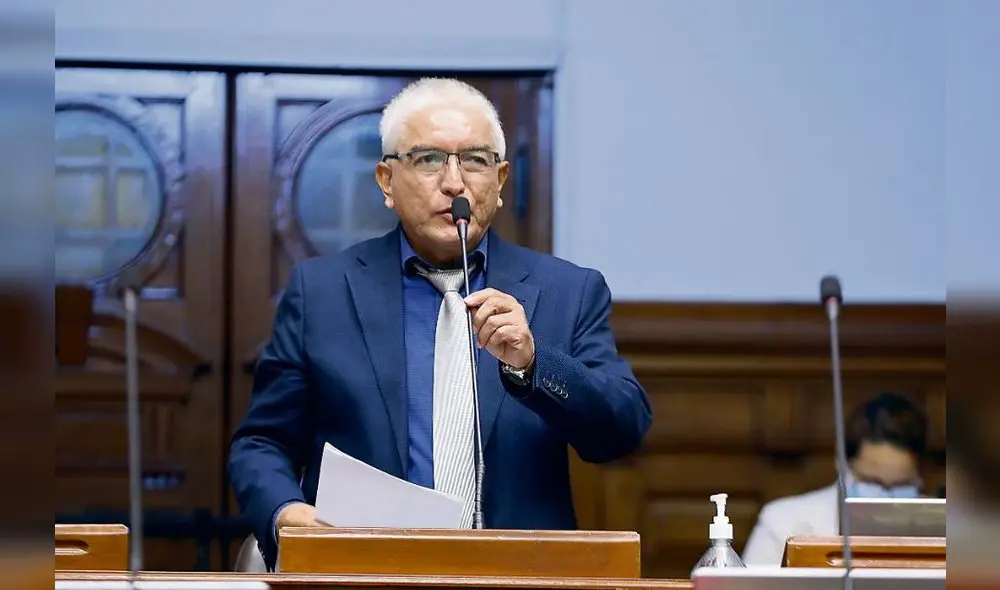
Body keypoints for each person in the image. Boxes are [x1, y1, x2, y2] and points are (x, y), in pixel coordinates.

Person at [228, 77, 653, 571]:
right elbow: (262, 443)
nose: (454, 183)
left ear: (501, 180)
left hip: (518, 578)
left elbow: (621, 432)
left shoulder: (568, 291)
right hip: (365, 574)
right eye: (429, 159)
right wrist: (285, 511)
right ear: (386, 181)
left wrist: (535, 363)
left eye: (475, 160)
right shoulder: (321, 293)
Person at [741, 392, 928, 565]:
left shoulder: (942, 529)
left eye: (902, 485)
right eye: (872, 482)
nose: (885, 497)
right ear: (842, 463)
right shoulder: (782, 521)